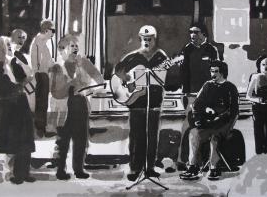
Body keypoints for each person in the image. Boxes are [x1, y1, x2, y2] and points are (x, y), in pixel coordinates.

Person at [115, 25, 169, 182]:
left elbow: (165, 79)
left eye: (150, 39)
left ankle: (150, 168)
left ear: (154, 39)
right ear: (140, 39)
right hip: (136, 102)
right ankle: (134, 168)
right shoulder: (132, 57)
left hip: (154, 102)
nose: (147, 41)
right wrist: (127, 80)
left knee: (152, 136)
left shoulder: (161, 57)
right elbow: (118, 71)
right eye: (144, 39)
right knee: (137, 136)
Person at [50, 34, 104, 180]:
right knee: (63, 140)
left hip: (80, 103)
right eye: (71, 45)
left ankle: (79, 169)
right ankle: (61, 169)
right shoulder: (57, 67)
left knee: (81, 139)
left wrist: (89, 90)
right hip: (63, 106)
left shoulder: (84, 62)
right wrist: (70, 84)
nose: (75, 48)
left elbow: (100, 80)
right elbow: (54, 92)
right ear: (62, 49)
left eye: (76, 45)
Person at [180, 60, 238, 181]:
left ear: (222, 72)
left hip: (224, 123)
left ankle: (213, 168)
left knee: (215, 137)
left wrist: (222, 118)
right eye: (211, 71)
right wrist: (206, 109)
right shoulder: (207, 85)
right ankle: (192, 168)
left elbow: (233, 111)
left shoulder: (230, 87)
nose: (213, 74)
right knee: (193, 134)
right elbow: (196, 104)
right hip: (208, 122)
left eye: (216, 71)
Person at [0, 36, 35, 184]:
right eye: (8, 47)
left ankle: (25, 172)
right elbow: (1, 90)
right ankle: (13, 173)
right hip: (8, 108)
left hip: (21, 106)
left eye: (11, 47)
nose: (11, 49)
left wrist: (21, 65)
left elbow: (26, 79)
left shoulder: (13, 64)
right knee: (12, 143)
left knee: (25, 140)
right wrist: (19, 87)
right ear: (2, 49)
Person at [177, 22, 218, 170]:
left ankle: (205, 161)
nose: (192, 35)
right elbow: (183, 75)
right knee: (188, 127)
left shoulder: (212, 50)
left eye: (196, 32)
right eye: (191, 32)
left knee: (206, 127)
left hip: (208, 96)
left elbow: (216, 74)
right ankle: (183, 160)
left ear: (204, 34)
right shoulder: (187, 50)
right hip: (191, 95)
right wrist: (185, 94)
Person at [30, 19, 55, 137]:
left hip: (42, 74)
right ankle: (40, 129)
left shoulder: (42, 42)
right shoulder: (39, 42)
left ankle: (41, 129)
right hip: (41, 75)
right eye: (52, 31)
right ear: (46, 30)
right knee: (41, 103)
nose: (53, 34)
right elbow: (38, 62)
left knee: (42, 103)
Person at [11, 29, 36, 112]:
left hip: (29, 90)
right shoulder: (10, 56)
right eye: (19, 37)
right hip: (19, 92)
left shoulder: (23, 55)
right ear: (12, 38)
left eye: (23, 38)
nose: (21, 40)